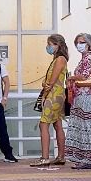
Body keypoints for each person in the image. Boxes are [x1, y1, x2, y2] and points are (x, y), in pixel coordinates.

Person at [31, 34, 70, 167]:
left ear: (57, 45)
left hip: (53, 96)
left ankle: (45, 157)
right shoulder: (60, 59)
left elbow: (51, 82)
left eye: (50, 44)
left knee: (43, 124)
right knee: (57, 124)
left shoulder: (59, 59)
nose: (48, 47)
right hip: (58, 96)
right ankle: (60, 156)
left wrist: (44, 96)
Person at [64, 33, 91, 169]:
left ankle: (87, 159)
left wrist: (71, 78)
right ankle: (86, 158)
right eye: (78, 42)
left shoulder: (88, 57)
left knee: (85, 126)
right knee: (83, 125)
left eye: (82, 42)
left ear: (88, 43)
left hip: (84, 95)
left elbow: (84, 76)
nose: (79, 45)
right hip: (81, 95)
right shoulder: (86, 57)